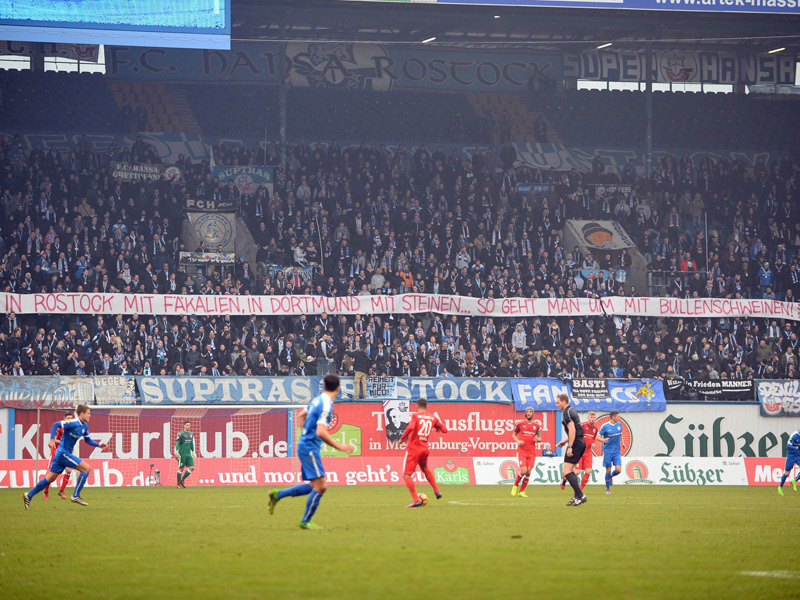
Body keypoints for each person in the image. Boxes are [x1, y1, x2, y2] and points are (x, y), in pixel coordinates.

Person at [268, 374, 354, 529]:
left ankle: (278, 494)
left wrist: (305, 434)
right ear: (338, 388)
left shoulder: (317, 400)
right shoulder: (326, 404)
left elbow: (301, 415)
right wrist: (340, 447)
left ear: (324, 386)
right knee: (321, 486)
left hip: (305, 445)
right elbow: (321, 432)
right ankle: (305, 521)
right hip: (309, 448)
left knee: (314, 485)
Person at [22, 404, 109, 509]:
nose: (90, 415)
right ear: (82, 414)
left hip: (61, 454)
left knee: (50, 478)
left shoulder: (84, 426)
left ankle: (28, 495)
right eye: (88, 413)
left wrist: (98, 445)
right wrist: (51, 439)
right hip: (63, 453)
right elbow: (55, 425)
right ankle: (75, 496)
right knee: (86, 468)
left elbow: (87, 440)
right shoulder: (73, 422)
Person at [400, 398, 448, 507]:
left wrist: (402, 438)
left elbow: (411, 426)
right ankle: (437, 491)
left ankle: (416, 500)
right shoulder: (433, 418)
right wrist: (437, 428)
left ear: (417, 406)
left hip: (413, 448)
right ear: (426, 407)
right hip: (424, 448)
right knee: (424, 467)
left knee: (406, 475)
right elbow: (445, 430)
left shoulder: (415, 416)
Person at [555, 393, 587, 506]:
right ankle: (577, 496)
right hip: (580, 441)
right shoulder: (571, 410)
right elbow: (575, 430)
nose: (557, 404)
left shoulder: (566, 412)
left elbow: (573, 430)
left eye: (558, 402)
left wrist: (570, 446)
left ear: (564, 401)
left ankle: (581, 495)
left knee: (566, 471)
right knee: (570, 471)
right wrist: (565, 441)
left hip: (576, 443)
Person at [558, 410, 598, 491]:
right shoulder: (582, 425)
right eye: (591, 417)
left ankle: (580, 491)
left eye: (594, 417)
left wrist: (593, 443)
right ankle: (565, 478)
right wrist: (565, 441)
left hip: (588, 452)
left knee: (589, 471)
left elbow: (593, 438)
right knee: (577, 471)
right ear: (588, 418)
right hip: (580, 451)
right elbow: (573, 434)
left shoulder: (595, 429)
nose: (593, 419)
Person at [43, 410, 76, 500]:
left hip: (66, 453)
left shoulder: (72, 429)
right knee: (50, 475)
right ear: (64, 419)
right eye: (68, 418)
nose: (69, 420)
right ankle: (46, 491)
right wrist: (63, 441)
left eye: (71, 418)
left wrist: (71, 451)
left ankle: (61, 491)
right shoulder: (60, 428)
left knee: (68, 470)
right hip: (56, 452)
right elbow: (54, 440)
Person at [510, 407, 541, 498]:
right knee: (523, 471)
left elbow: (539, 438)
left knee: (528, 472)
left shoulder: (536, 426)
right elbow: (513, 434)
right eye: (527, 412)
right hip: (522, 451)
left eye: (530, 412)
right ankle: (515, 486)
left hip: (532, 452)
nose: (529, 413)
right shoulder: (520, 424)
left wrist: (538, 439)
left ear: (533, 414)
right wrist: (518, 441)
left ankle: (521, 491)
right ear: (525, 413)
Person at [597, 410, 623, 494]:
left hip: (616, 451)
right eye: (618, 416)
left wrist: (622, 443)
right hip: (608, 451)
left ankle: (610, 476)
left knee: (618, 470)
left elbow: (620, 434)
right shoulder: (605, 426)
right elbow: (597, 437)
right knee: (608, 470)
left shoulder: (619, 425)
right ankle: (607, 488)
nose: (619, 418)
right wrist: (603, 440)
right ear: (613, 417)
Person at [174, 420, 196, 488]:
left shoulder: (191, 434)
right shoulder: (180, 434)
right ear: (184, 426)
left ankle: (182, 480)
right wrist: (177, 451)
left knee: (192, 468)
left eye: (189, 425)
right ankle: (178, 484)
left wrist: (193, 451)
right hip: (182, 454)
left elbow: (191, 443)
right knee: (181, 469)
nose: (188, 426)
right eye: (187, 425)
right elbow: (177, 443)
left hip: (188, 454)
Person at [778, 428, 800, 496]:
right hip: (791, 456)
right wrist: (796, 448)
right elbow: (788, 446)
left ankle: (795, 481)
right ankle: (780, 487)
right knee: (787, 473)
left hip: (799, 455)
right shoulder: (794, 435)